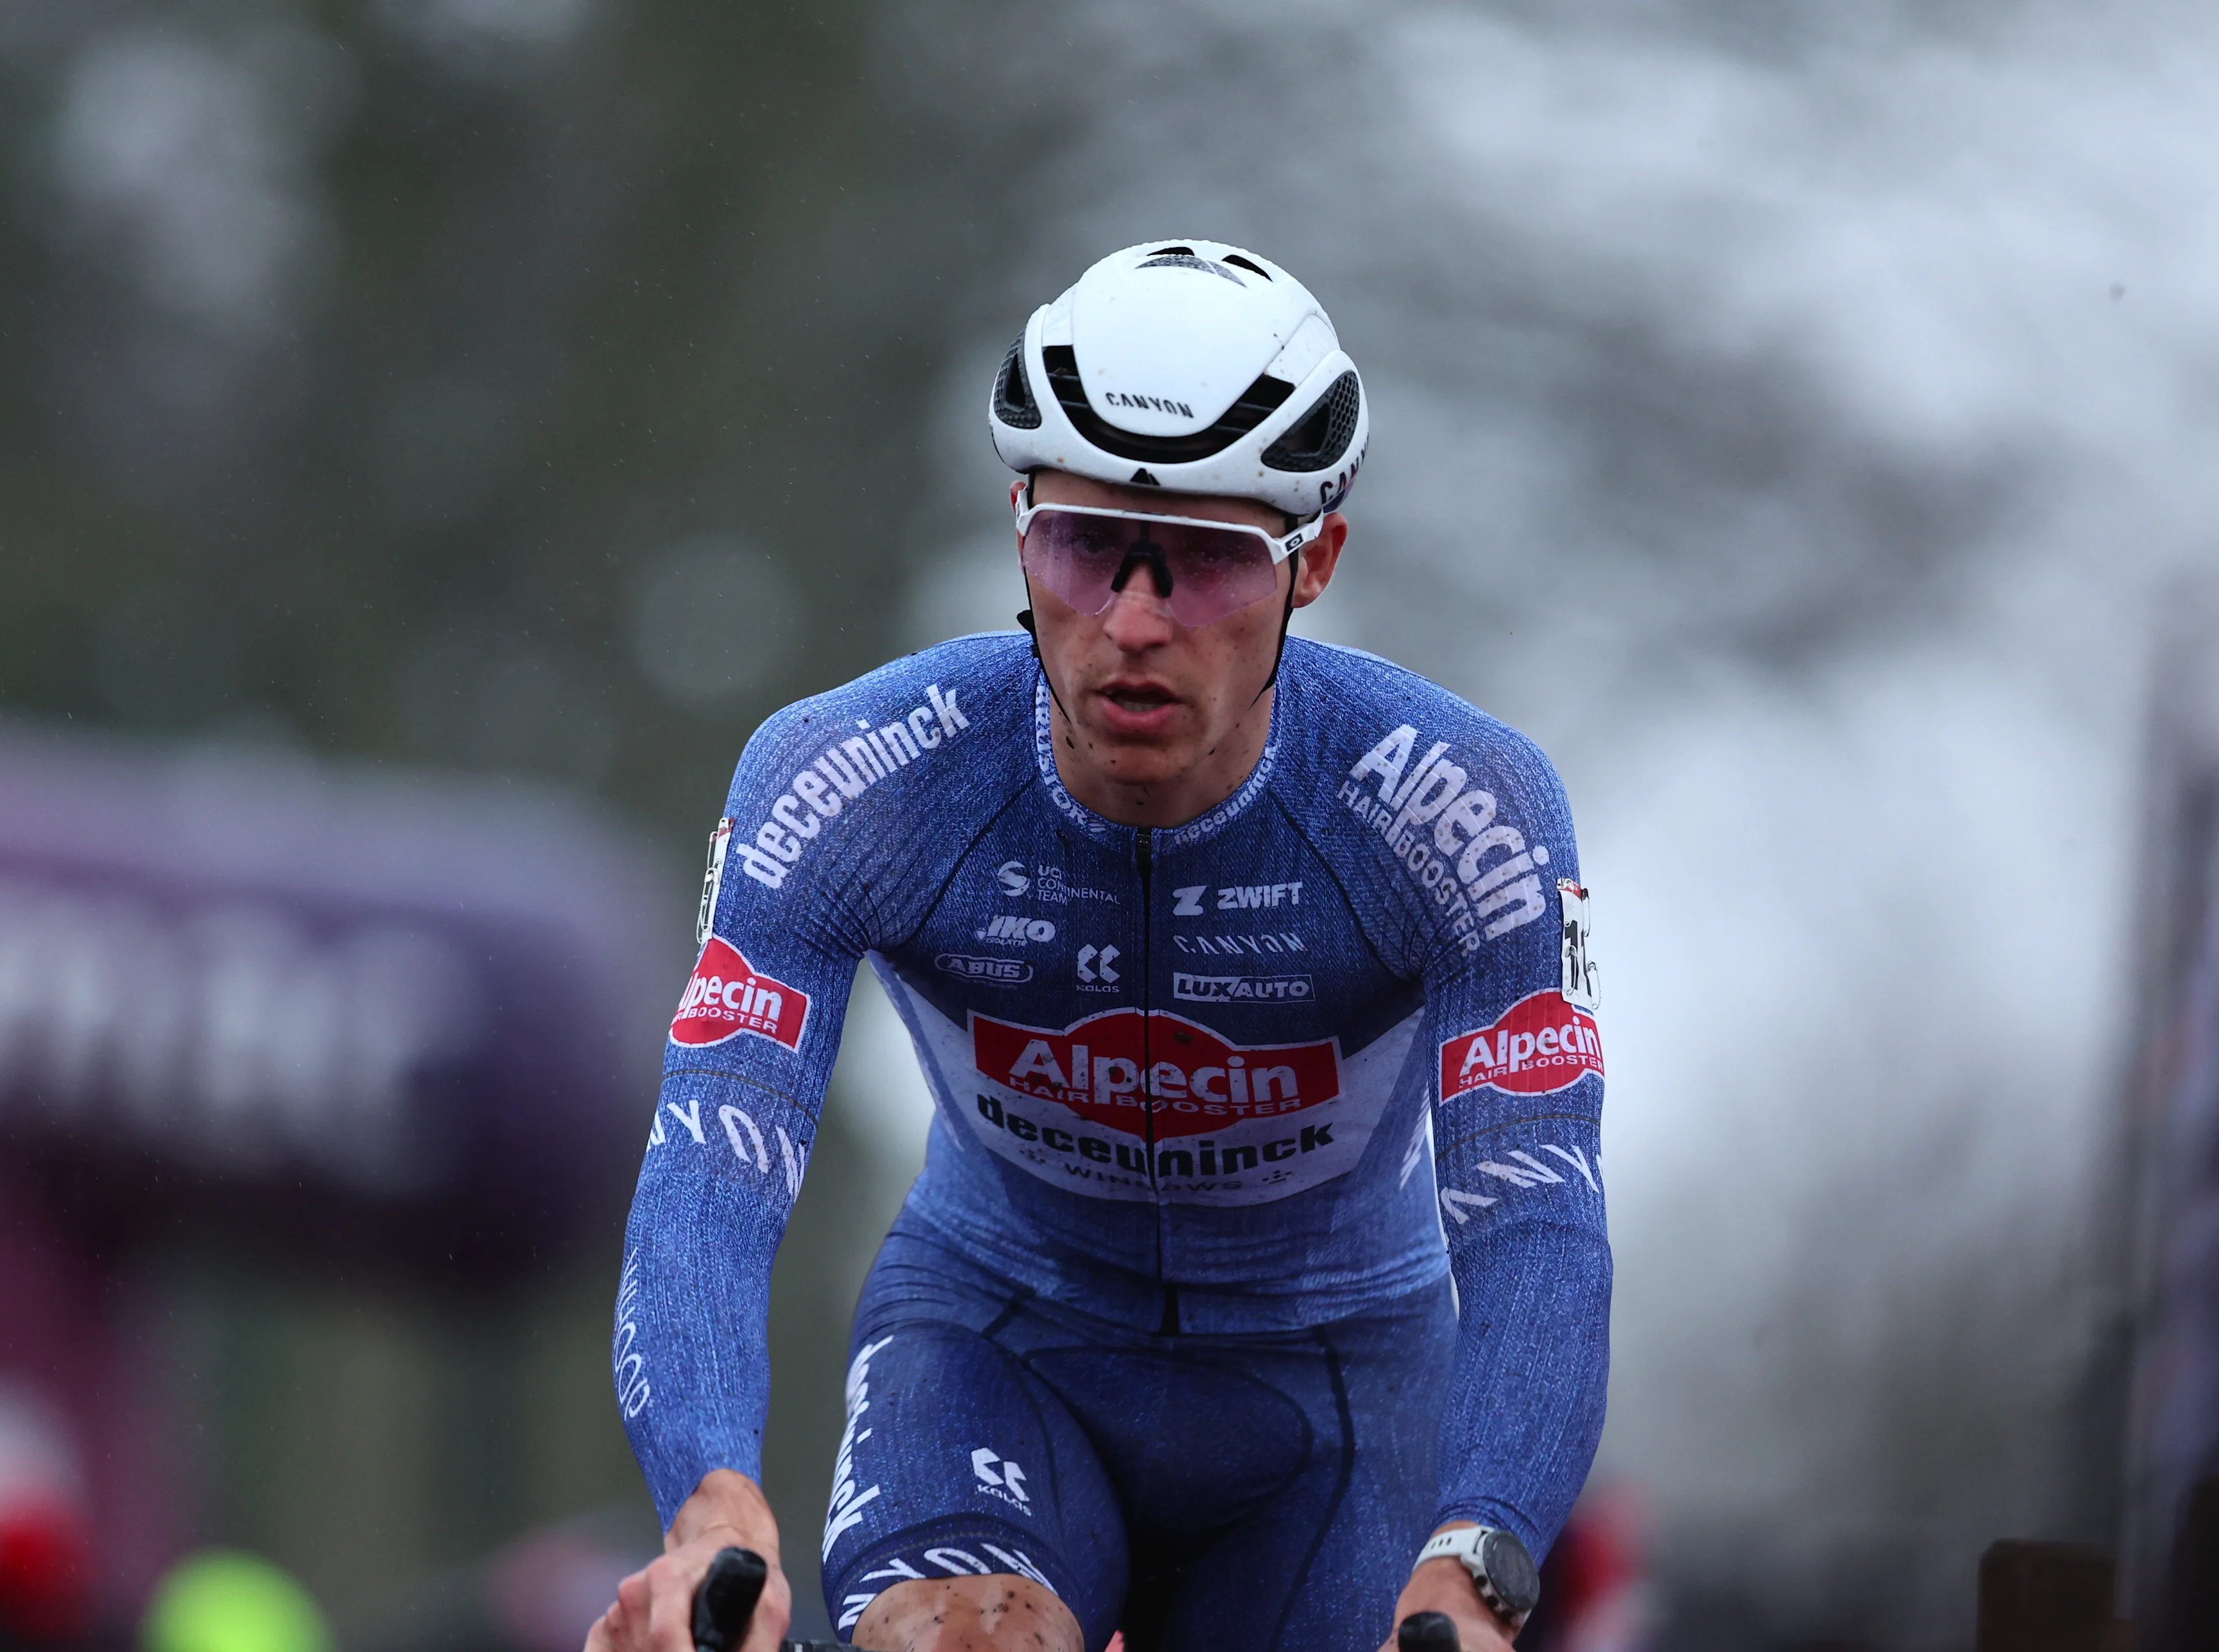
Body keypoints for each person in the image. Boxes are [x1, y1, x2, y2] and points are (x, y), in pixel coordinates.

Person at [592, 240, 1610, 1652]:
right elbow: (713, 1151)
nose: (1133, 622)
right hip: (998, 1342)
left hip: (1341, 1392)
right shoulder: (853, 783)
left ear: (1315, 558)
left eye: (1204, 561)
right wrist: (712, 1502)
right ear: (1019, 529)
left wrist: (1479, 1555)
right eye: (1086, 546)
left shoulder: (1454, 809)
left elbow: (1536, 1210)